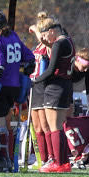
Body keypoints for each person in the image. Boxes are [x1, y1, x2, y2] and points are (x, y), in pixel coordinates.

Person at [0, 10, 35, 171]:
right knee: (6, 123)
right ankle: (9, 159)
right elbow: (30, 60)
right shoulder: (13, 36)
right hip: (14, 86)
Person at [31, 16, 75, 173]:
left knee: (54, 127)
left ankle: (57, 162)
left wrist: (35, 80)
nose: (44, 40)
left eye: (44, 35)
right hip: (65, 86)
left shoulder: (58, 43)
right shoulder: (68, 41)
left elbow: (50, 70)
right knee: (58, 127)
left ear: (51, 31)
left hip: (55, 87)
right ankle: (64, 163)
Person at [27, 12, 52, 168]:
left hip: (44, 88)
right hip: (34, 87)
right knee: (36, 128)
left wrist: (37, 31)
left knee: (45, 126)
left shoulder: (52, 46)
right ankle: (41, 159)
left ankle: (51, 157)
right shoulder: (37, 47)